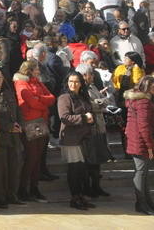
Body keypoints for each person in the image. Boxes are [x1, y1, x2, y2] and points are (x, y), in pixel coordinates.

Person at [13, 59, 54, 202]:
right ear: (29, 70)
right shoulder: (21, 83)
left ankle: (34, 188)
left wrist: (40, 100)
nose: (38, 70)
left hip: (41, 121)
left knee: (38, 158)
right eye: (36, 68)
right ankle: (23, 189)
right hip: (30, 122)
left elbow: (52, 98)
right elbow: (31, 102)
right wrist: (43, 104)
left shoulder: (37, 81)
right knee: (31, 157)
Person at [125, 75, 154, 215]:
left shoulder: (139, 99)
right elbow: (144, 126)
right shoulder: (143, 102)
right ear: (147, 87)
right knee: (141, 172)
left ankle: (147, 202)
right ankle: (142, 203)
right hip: (140, 141)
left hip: (137, 139)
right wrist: (149, 145)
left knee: (143, 173)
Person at [0, 68, 23, 208]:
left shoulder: (8, 92)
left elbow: (17, 111)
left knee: (14, 167)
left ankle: (12, 195)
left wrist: (20, 124)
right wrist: (8, 127)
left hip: (14, 136)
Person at [58, 71, 95, 210]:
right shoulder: (64, 98)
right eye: (70, 81)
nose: (73, 84)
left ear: (81, 83)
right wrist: (85, 118)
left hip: (83, 138)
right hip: (70, 138)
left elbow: (90, 113)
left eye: (76, 81)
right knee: (74, 169)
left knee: (82, 170)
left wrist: (91, 119)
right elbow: (65, 117)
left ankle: (81, 197)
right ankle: (75, 198)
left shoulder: (83, 96)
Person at [76, 63, 110, 198]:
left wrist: (101, 101)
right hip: (90, 128)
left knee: (98, 159)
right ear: (85, 75)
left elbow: (103, 101)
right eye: (91, 74)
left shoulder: (93, 86)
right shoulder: (81, 89)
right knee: (89, 159)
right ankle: (87, 187)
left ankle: (96, 186)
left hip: (99, 127)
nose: (93, 76)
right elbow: (90, 105)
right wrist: (101, 102)